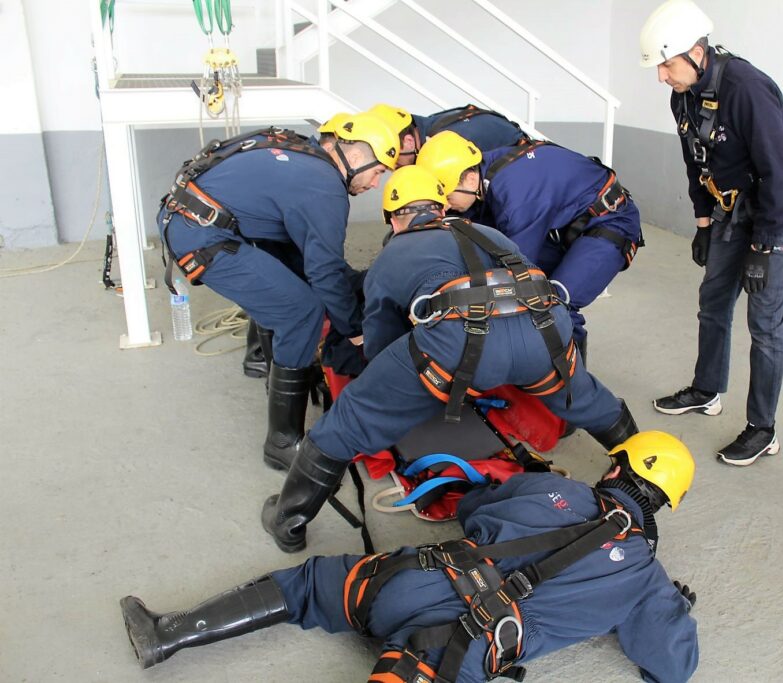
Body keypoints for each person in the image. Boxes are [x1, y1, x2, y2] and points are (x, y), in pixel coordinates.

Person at [261, 166, 639, 553]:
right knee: (592, 402)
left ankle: (288, 521)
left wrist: (400, 384)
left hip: (458, 344)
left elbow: (379, 346)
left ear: (392, 217)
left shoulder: (394, 254)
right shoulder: (489, 233)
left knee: (346, 423)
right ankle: (644, 471)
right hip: (546, 329)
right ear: (441, 207)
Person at [120, 431, 700, 682]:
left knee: (310, 584)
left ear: (616, 467)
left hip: (412, 580)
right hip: (465, 644)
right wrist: (673, 609)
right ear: (666, 506)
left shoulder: (562, 492)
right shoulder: (648, 583)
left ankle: (168, 632)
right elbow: (672, 668)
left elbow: (475, 513)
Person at [159, 113, 400, 471]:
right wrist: (355, 332)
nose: (376, 183)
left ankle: (262, 360)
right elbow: (325, 272)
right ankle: (282, 442)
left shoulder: (304, 155)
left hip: (194, 216)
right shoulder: (323, 187)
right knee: (300, 312)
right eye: (379, 171)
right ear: (356, 156)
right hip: (202, 236)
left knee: (291, 280)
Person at [641, 0, 783, 466]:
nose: (662, 76)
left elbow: (778, 173)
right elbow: (694, 162)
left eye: (667, 64)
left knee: (764, 321)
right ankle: (707, 389)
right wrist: (702, 223)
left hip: (777, 212)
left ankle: (763, 429)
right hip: (730, 211)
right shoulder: (684, 93)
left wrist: (762, 246)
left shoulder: (747, 88)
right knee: (713, 301)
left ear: (697, 53)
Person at [416, 131, 644, 357]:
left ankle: (574, 388)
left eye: (447, 196)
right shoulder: (482, 168)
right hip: (569, 225)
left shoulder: (516, 198)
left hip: (612, 223)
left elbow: (513, 272)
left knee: (554, 302)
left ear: (470, 179)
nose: (445, 206)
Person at [367, 102, 530, 166]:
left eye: (396, 164)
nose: (396, 168)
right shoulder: (430, 125)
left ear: (409, 142)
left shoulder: (450, 142)